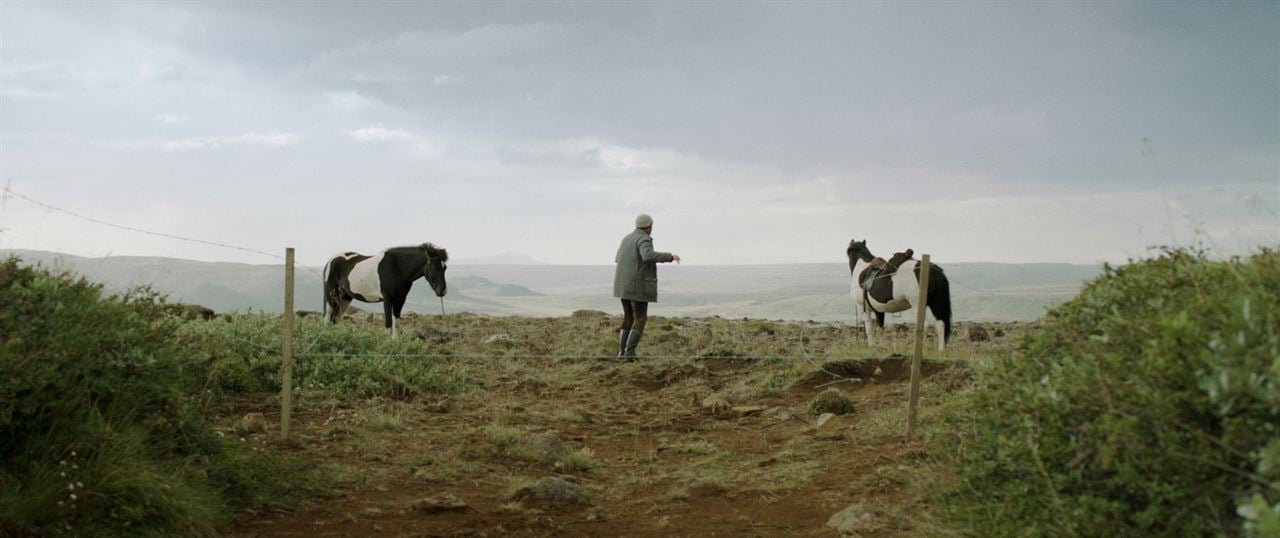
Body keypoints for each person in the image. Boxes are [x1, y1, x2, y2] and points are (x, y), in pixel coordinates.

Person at [613, 213, 680, 359]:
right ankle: (630, 353)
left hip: (623, 286)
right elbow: (647, 255)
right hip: (637, 287)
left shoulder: (626, 238)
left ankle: (622, 353)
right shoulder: (643, 239)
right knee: (640, 318)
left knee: (628, 318)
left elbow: (618, 258)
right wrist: (670, 257)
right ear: (649, 227)